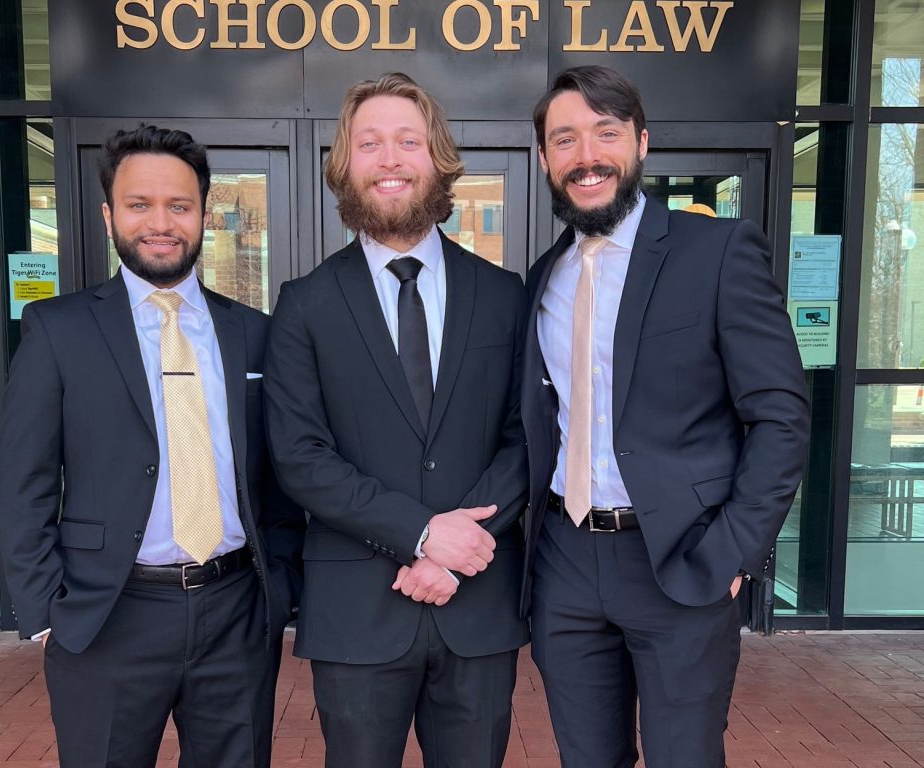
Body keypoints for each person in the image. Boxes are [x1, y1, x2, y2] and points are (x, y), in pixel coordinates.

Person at [522, 66, 810, 768]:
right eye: (565, 139)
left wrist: (733, 552)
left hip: (681, 561)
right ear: (545, 158)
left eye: (606, 133)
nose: (586, 155)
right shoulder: (543, 279)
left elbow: (781, 418)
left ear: (642, 143)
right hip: (566, 562)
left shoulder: (717, 252)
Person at [0, 124, 304, 768]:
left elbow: (278, 474)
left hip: (234, 613)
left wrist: (279, 585)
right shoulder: (57, 330)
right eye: (139, 205)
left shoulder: (254, 332)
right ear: (109, 214)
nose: (160, 222)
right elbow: (23, 482)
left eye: (179, 205)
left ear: (203, 214)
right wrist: (45, 609)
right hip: (107, 613)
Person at [263, 72, 529, 768]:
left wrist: (462, 546)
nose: (389, 159)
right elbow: (299, 455)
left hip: (478, 603)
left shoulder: (504, 296)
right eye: (369, 143)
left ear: (436, 158)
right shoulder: (305, 304)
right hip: (359, 610)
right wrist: (419, 535)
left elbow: (529, 436)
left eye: (408, 141)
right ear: (344, 167)